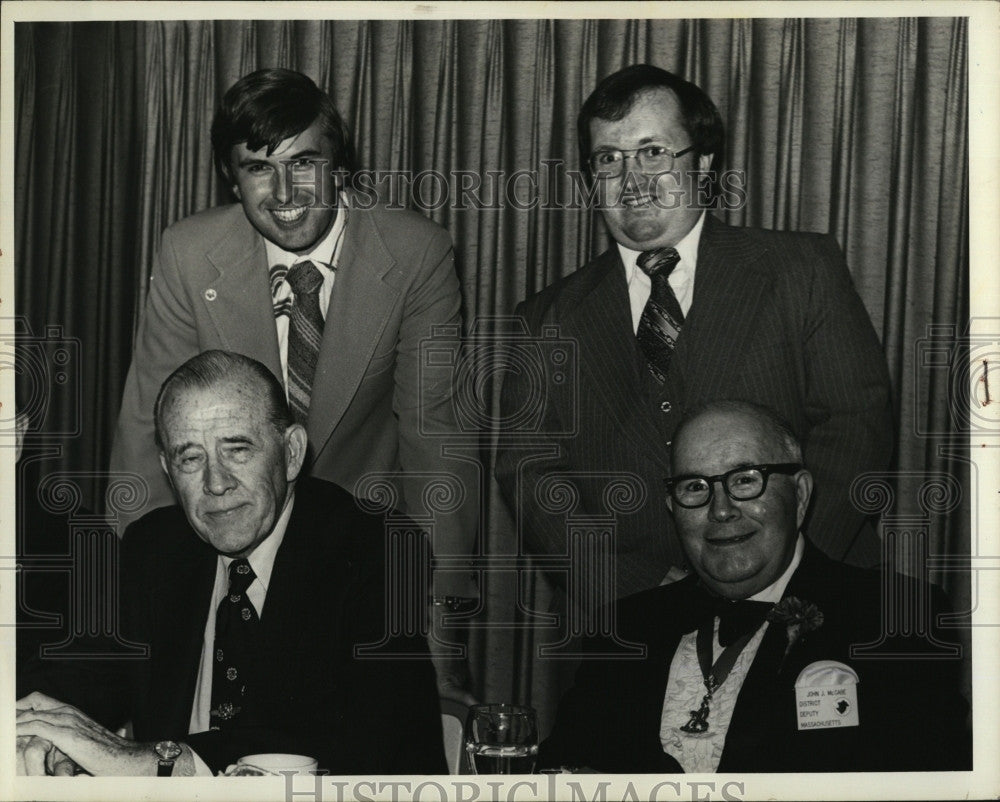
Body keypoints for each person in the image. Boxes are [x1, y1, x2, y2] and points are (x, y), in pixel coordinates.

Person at [495, 64, 893, 602]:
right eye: (609, 158)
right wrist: (629, 592)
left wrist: (778, 570)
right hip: (629, 620)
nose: (631, 181)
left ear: (703, 163)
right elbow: (530, 471)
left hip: (811, 595)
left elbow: (856, 425)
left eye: (653, 151)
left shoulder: (801, 269)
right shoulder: (546, 316)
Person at [109, 67, 479, 607]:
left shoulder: (416, 253)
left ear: (339, 168)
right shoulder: (187, 253)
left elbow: (436, 440)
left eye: (303, 163)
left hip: (363, 555)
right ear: (231, 180)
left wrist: (437, 618)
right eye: (259, 168)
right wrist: (132, 600)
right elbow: (149, 430)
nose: (285, 192)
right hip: (223, 550)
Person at [18, 351, 447, 776]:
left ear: (292, 452)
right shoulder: (154, 547)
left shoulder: (379, 548)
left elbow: (358, 740)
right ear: (168, 469)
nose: (216, 483)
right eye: (190, 458)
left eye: (237, 450)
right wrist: (46, 735)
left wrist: (157, 762)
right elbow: (84, 681)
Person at [539, 400, 970, 773]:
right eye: (695, 487)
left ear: (799, 496)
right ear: (673, 509)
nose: (721, 510)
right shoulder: (625, 627)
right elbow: (562, 770)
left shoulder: (896, 620)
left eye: (745, 479)